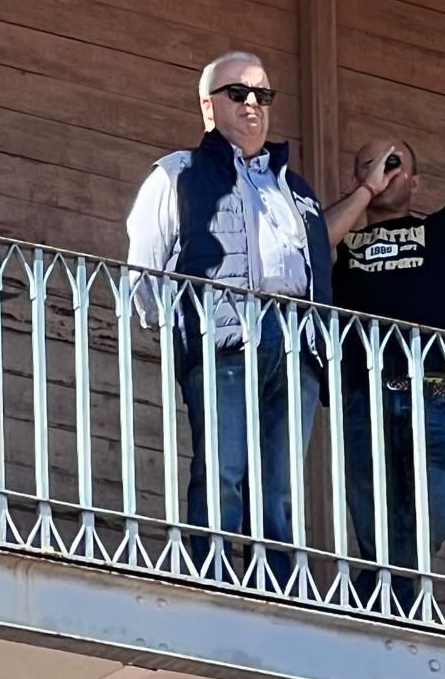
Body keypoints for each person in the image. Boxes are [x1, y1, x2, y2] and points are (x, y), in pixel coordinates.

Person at [126, 51, 330, 587]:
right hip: (224, 337)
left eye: (263, 95)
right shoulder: (179, 172)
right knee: (224, 469)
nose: (252, 104)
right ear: (208, 106)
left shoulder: (296, 189)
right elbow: (144, 264)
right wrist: (175, 328)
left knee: (281, 483)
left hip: (296, 339)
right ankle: (212, 576)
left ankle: (277, 586)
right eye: (237, 93)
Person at [325, 134, 445, 612]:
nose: (385, 169)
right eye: (373, 162)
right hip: (365, 392)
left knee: (437, 510)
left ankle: (382, 600)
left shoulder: (441, 230)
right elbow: (312, 242)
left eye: (396, 162)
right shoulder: (344, 238)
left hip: (432, 389)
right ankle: (397, 605)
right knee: (371, 513)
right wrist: (366, 192)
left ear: (417, 181)